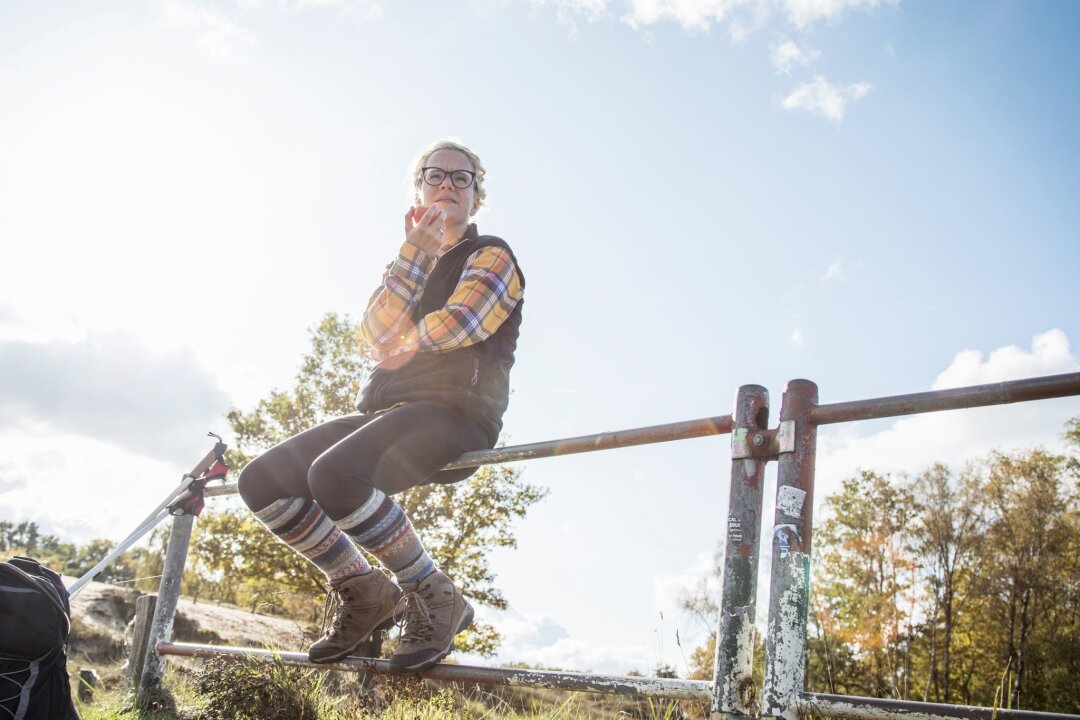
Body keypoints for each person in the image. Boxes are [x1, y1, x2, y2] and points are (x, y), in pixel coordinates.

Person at [236, 139, 525, 671]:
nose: (447, 185)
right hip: (388, 413)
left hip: (456, 412)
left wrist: (398, 338)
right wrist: (414, 254)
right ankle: (363, 589)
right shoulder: (406, 265)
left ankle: (436, 594)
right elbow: (372, 332)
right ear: (418, 190)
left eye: (462, 179)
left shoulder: (492, 255)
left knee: (335, 474)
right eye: (435, 175)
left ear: (477, 199)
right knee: (261, 481)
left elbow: (463, 322)